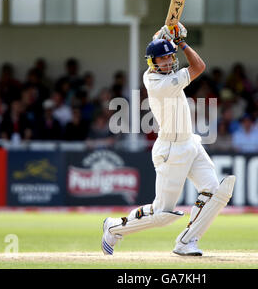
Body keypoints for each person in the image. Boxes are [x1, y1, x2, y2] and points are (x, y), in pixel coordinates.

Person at [101, 24, 236, 257]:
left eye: (169, 58)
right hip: (171, 149)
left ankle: (186, 242)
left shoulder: (158, 73)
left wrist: (163, 39)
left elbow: (161, 53)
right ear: (152, 63)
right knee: (162, 214)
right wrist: (181, 42)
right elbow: (199, 67)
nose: (167, 63)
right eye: (161, 60)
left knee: (216, 193)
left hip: (190, 142)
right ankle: (113, 228)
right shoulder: (160, 84)